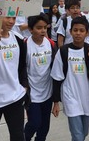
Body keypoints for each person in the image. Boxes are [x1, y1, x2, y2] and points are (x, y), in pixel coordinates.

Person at [50, 16, 89, 141]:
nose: (78, 33)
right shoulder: (63, 51)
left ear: (87, 33)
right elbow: (56, 78)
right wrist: (56, 102)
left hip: (87, 98)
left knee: (84, 132)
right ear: (70, 31)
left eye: (81, 30)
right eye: (75, 30)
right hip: (70, 97)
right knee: (78, 136)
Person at [24, 13, 58, 141]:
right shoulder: (25, 45)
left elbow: (56, 70)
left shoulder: (51, 44)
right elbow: (21, 69)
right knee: (34, 123)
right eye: (39, 27)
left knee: (44, 127)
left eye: (45, 27)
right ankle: (25, 137)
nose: (43, 30)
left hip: (47, 93)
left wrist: (56, 99)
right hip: (32, 94)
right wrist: (24, 87)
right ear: (30, 29)